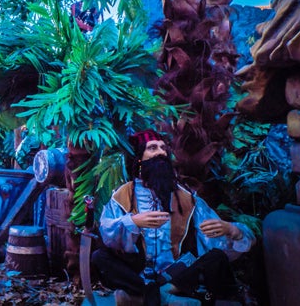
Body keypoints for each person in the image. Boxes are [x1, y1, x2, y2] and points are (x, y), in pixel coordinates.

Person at [92, 130, 254, 306]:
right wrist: (133, 222)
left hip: (177, 275)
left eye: (163, 148)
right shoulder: (123, 195)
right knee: (99, 257)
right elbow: (107, 233)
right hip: (137, 273)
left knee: (216, 258)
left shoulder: (185, 197)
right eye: (152, 148)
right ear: (140, 158)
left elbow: (213, 242)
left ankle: (149, 297)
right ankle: (163, 298)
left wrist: (232, 231)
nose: (161, 152)